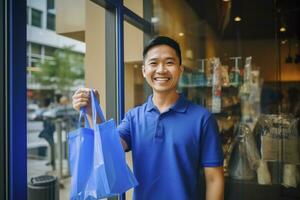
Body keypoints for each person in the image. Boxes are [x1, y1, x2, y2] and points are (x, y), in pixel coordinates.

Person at [72, 36, 224, 200]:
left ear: (180, 69)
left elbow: (214, 179)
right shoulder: (133, 117)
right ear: (144, 70)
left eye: (169, 63)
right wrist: (91, 112)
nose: (161, 70)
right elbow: (109, 151)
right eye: (153, 63)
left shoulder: (202, 118)